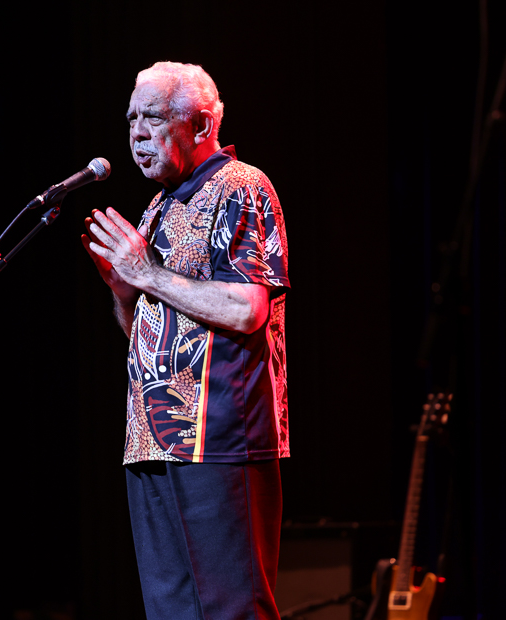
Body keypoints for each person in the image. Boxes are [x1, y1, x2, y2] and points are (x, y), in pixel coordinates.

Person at [82, 61, 289, 620]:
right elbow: (148, 337)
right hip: (150, 442)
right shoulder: (159, 204)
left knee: (232, 610)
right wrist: (125, 294)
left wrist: (148, 274)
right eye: (131, 119)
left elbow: (247, 309)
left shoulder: (241, 186)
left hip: (219, 440)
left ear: (200, 125)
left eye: (152, 118)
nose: (136, 134)